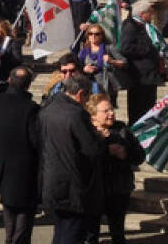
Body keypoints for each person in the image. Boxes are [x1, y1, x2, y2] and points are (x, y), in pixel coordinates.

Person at [39, 75, 107, 244]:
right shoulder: (77, 114)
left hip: (52, 181)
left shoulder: (48, 109)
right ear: (81, 93)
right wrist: (100, 138)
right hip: (73, 185)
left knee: (60, 231)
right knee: (72, 233)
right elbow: (92, 149)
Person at [0, 66, 39, 244]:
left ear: (9, 80)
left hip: (2, 166)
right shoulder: (30, 108)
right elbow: (36, 141)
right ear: (28, 85)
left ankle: (10, 240)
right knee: (23, 215)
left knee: (9, 210)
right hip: (25, 169)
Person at [85, 93, 145, 244]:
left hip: (119, 188)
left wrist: (124, 153)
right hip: (94, 189)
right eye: (105, 111)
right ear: (93, 116)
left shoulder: (122, 129)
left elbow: (139, 156)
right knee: (90, 233)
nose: (111, 113)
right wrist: (105, 150)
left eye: (111, 109)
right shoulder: (86, 132)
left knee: (117, 233)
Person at [120, 0, 164, 125]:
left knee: (149, 106)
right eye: (150, 12)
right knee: (138, 109)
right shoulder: (130, 26)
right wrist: (148, 49)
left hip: (149, 76)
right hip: (139, 77)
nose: (152, 14)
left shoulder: (146, 26)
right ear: (142, 14)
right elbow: (125, 48)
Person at [78, 24, 127, 106]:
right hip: (89, 86)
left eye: (97, 34)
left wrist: (112, 61)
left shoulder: (109, 48)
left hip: (107, 86)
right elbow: (78, 66)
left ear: (102, 36)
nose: (93, 36)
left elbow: (124, 63)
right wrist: (84, 69)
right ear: (87, 36)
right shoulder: (84, 51)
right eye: (90, 34)